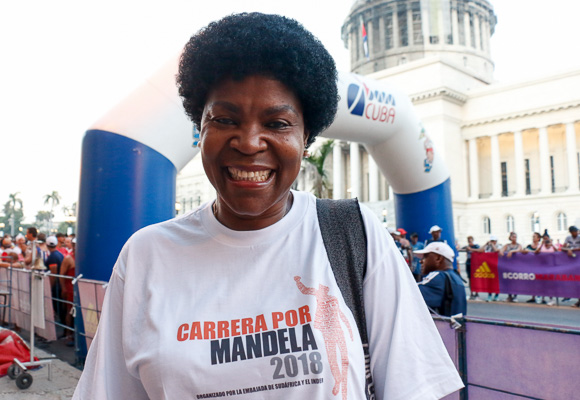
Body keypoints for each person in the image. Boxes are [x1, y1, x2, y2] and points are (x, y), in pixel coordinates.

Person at [73, 13, 463, 400]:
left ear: (305, 138)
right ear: (200, 129)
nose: (249, 142)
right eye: (224, 119)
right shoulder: (147, 255)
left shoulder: (354, 235)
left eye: (277, 124)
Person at [415, 242, 467, 317]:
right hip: (453, 324)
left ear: (438, 258)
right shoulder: (456, 277)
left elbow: (410, 294)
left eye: (425, 257)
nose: (421, 261)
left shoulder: (439, 276)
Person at [475, 235, 500, 301]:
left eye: (493, 241)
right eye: (491, 241)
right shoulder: (488, 246)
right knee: (489, 281)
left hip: (496, 265)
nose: (492, 242)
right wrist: (486, 244)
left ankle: (496, 295)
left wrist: (492, 245)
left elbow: (496, 250)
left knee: (496, 281)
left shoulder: (498, 245)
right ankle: (489, 295)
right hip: (489, 265)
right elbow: (480, 250)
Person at [499, 232, 522, 303]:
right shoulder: (507, 245)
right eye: (513, 237)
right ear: (510, 238)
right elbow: (501, 250)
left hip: (516, 266)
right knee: (508, 281)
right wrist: (502, 252)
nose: (514, 238)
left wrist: (512, 251)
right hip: (508, 265)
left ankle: (515, 296)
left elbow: (519, 249)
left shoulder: (518, 245)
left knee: (515, 281)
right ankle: (509, 296)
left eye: (515, 237)